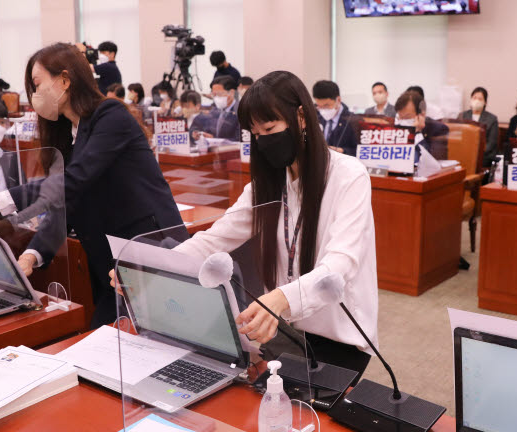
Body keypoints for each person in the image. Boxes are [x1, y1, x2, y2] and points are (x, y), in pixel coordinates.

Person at [114, 70, 379, 377]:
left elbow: (341, 263)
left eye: (269, 127)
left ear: (302, 117)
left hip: (338, 335)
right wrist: (148, 269)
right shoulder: (266, 185)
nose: (263, 141)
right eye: (255, 133)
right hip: (282, 329)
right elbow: (215, 239)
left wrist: (281, 298)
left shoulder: (349, 176)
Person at [0, 43, 184, 327]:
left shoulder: (110, 115)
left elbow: (74, 181)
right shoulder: (68, 136)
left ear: (64, 80)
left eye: (37, 85)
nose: (34, 96)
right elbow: (64, 206)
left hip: (149, 250)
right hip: (108, 266)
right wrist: (31, 255)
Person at [395, 90, 449, 160]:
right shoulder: (398, 128)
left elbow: (428, 161)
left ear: (422, 115)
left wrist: (417, 132)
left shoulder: (438, 129)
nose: (402, 122)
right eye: (400, 117)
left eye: (406, 117)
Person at [312, 80, 358, 156]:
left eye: (326, 105)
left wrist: (342, 150)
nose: (323, 110)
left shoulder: (353, 121)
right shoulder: (315, 117)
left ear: (338, 100)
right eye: (319, 106)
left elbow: (359, 150)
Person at [459, 86, 498, 166]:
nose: (476, 101)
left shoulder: (492, 119)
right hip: (464, 153)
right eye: (474, 98)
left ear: (485, 102)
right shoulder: (462, 116)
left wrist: (477, 152)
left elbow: (491, 143)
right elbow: (458, 136)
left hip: (484, 156)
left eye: (480, 99)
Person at [197, 75, 240, 141]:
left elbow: (239, 139)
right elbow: (209, 129)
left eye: (219, 94)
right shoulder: (214, 110)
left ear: (231, 92)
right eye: (214, 95)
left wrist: (215, 140)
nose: (216, 98)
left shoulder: (240, 111)